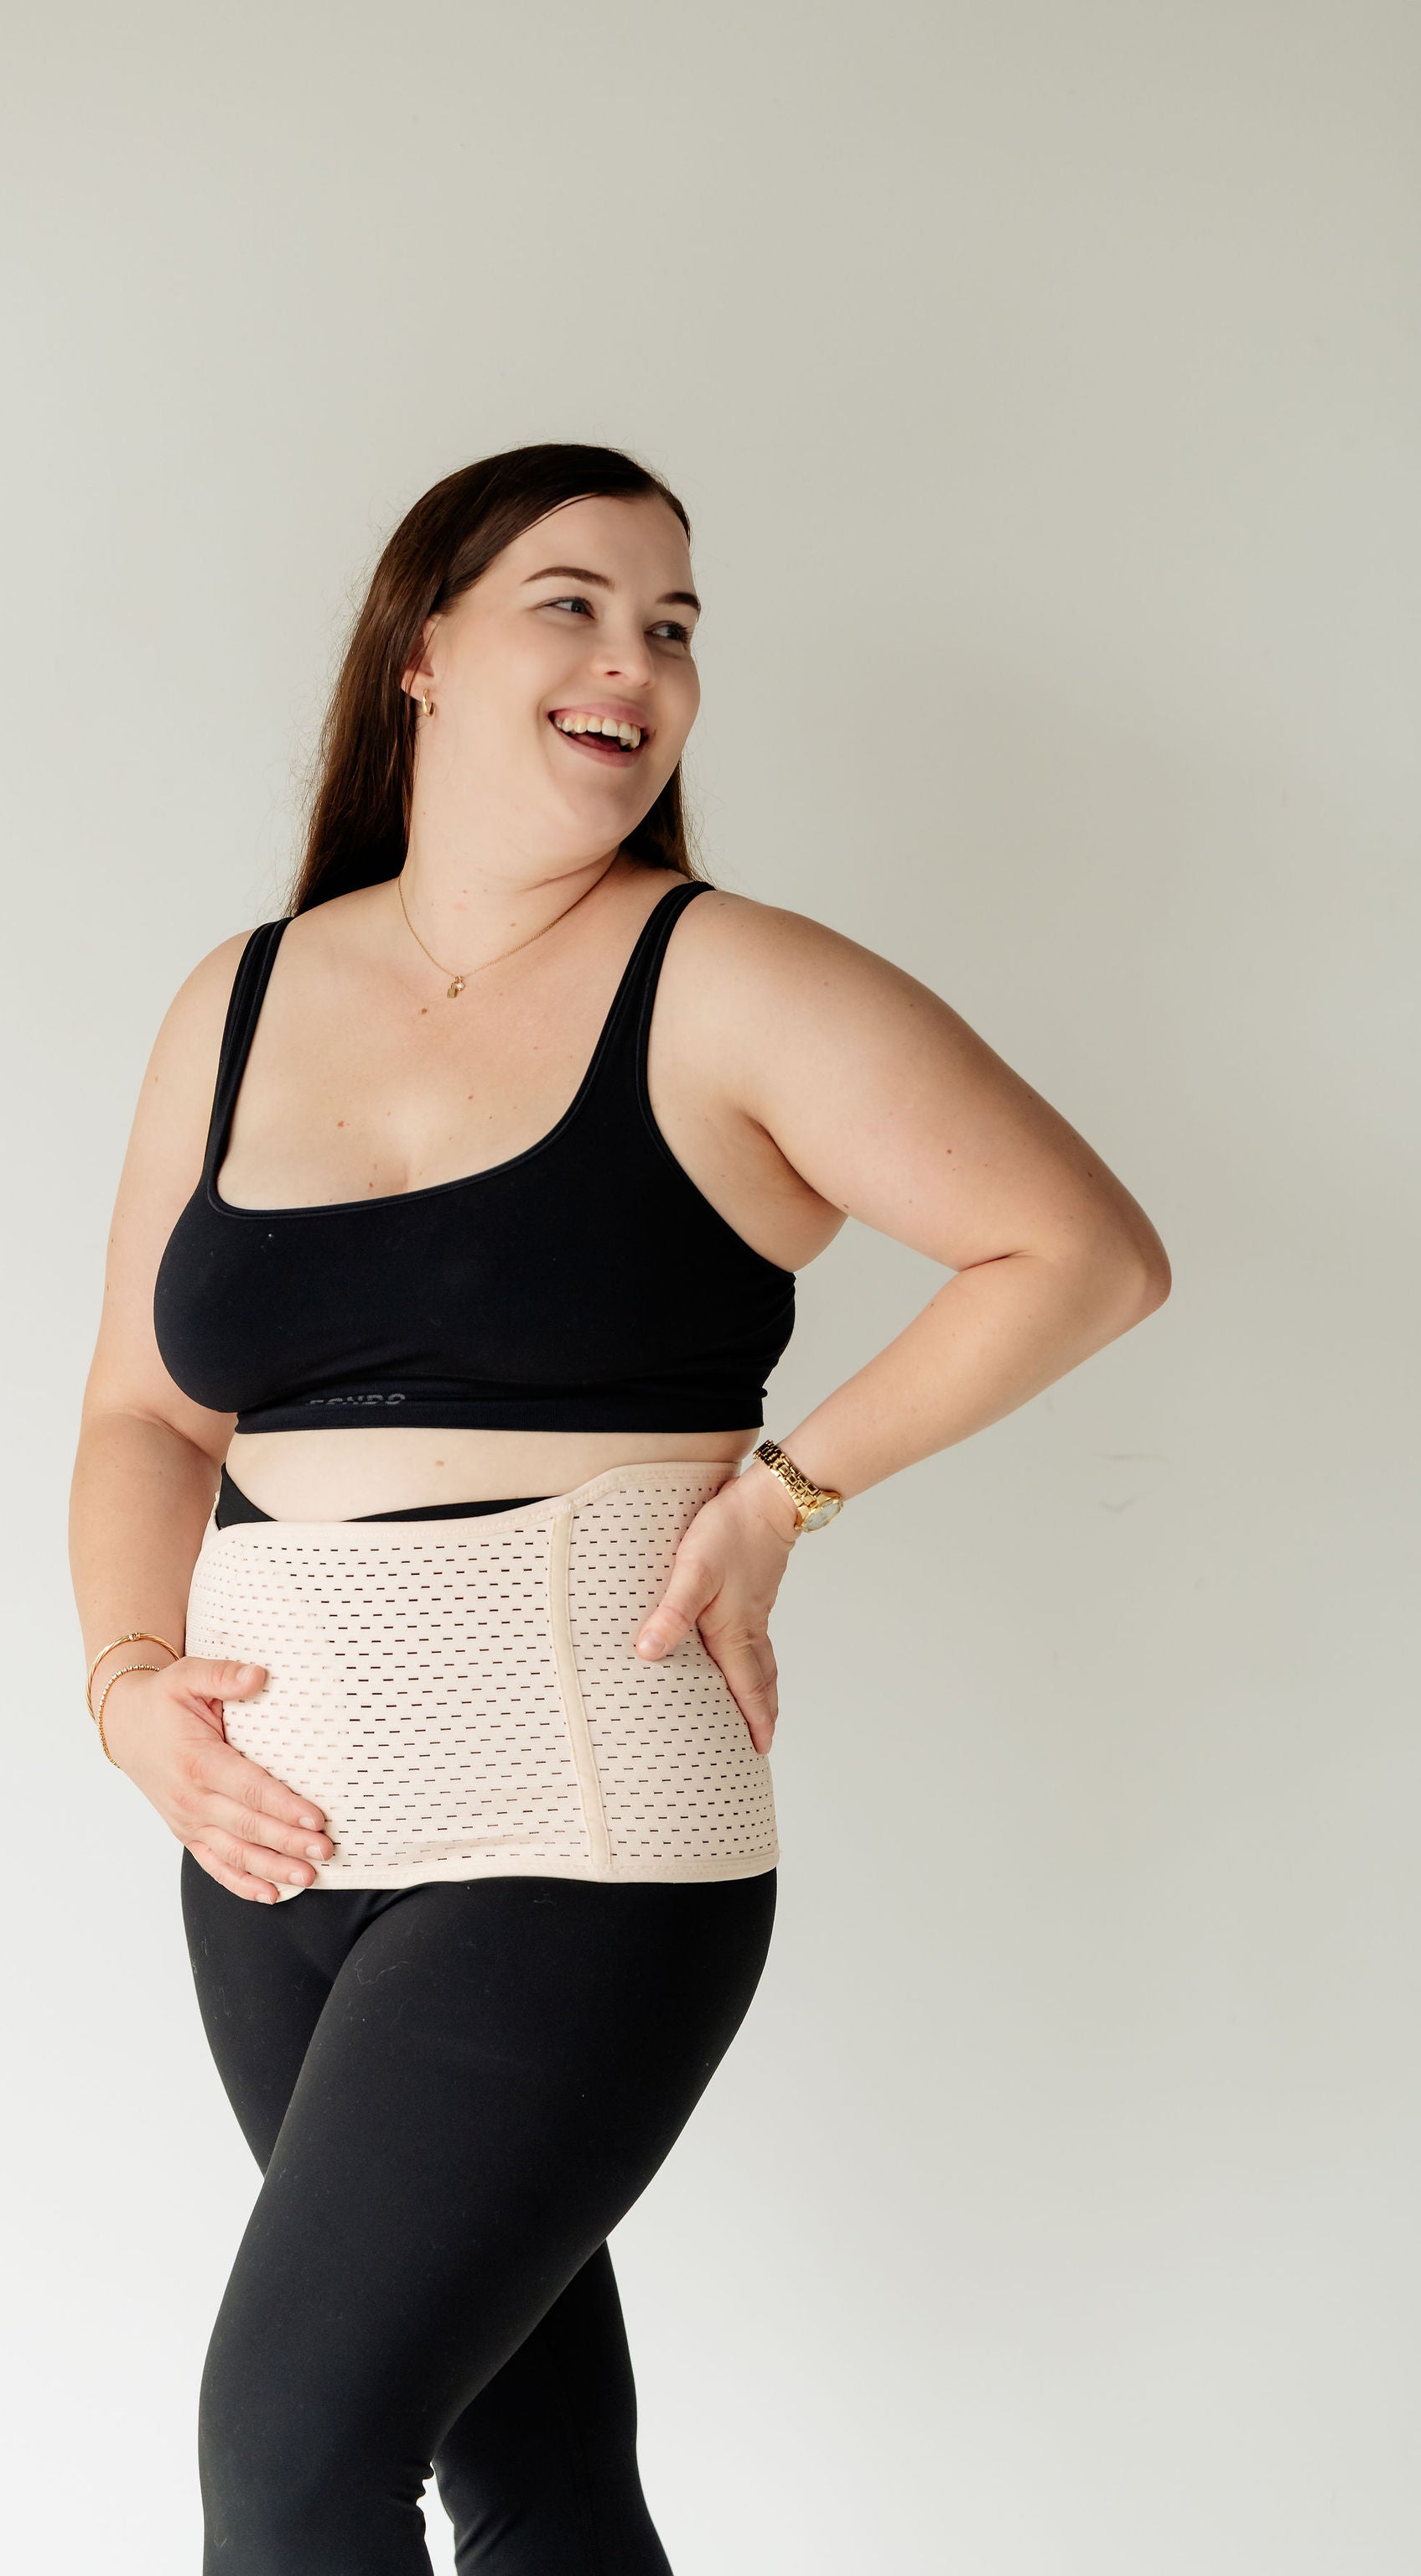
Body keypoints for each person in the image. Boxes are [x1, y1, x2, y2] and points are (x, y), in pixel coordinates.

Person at [68, 441, 1170, 2573]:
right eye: (569, 604)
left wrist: (782, 1497)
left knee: (290, 2466)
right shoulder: (241, 999)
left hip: (578, 1812)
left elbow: (1080, 1254)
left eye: (671, 627)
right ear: (421, 653)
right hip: (276, 1838)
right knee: (532, 2475)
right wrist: (126, 1688)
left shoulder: (730, 978)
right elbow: (141, 1411)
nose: (633, 663)